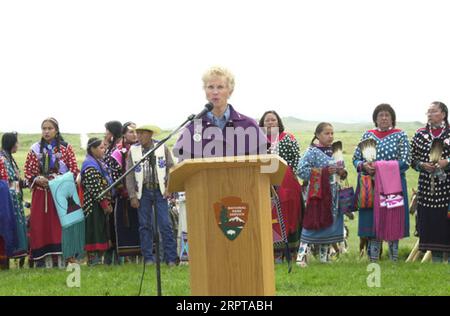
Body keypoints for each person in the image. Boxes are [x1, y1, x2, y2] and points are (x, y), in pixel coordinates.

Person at [353, 104, 410, 262]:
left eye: (387, 115)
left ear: (392, 118)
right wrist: (363, 165)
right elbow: (356, 158)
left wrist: (378, 167)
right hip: (371, 186)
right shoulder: (367, 135)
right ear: (375, 118)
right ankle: (373, 259)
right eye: (380, 115)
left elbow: (405, 161)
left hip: (394, 185)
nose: (384, 118)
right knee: (373, 221)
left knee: (392, 218)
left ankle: (394, 259)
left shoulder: (400, 135)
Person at [173, 66, 268, 160]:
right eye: (210, 87)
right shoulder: (193, 127)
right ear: (205, 91)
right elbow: (183, 169)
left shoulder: (248, 125)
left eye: (220, 87)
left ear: (230, 91)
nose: (215, 92)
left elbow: (263, 163)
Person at [24, 118, 80, 268]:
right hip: (42, 194)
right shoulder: (35, 149)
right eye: (44, 128)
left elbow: (74, 169)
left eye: (50, 128)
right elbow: (28, 172)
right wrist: (37, 179)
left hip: (60, 194)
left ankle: (63, 259)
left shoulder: (66, 148)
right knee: (40, 226)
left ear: (56, 130)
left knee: (61, 226)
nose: (46, 131)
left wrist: (60, 180)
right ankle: (42, 260)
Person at [296, 123, 348, 267]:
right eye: (327, 133)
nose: (330, 136)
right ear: (318, 135)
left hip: (334, 194)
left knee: (329, 225)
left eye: (332, 133)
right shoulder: (312, 152)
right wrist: (324, 172)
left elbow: (342, 171)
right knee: (312, 225)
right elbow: (301, 170)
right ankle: (301, 257)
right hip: (317, 196)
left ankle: (324, 258)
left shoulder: (335, 151)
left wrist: (342, 172)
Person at [126, 124, 178, 266]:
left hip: (160, 190)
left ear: (150, 134)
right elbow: (129, 174)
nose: (139, 136)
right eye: (138, 133)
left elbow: (170, 167)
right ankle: (148, 258)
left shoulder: (162, 147)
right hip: (142, 191)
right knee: (144, 225)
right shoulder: (133, 150)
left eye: (142, 133)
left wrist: (169, 187)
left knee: (165, 224)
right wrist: (132, 195)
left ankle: (171, 258)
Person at [259, 110, 302, 263]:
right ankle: (272, 254)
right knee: (268, 214)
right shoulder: (257, 140)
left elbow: (296, 158)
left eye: (273, 120)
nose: (270, 122)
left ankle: (291, 252)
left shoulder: (288, 138)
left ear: (279, 122)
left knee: (288, 213)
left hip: (287, 182)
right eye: (267, 120)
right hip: (264, 182)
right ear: (262, 124)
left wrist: (290, 175)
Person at [411, 101, 450, 263]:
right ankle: (436, 261)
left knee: (446, 221)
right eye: (428, 112)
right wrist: (421, 165)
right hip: (427, 188)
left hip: (447, 188)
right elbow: (411, 158)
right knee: (430, 222)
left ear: (443, 114)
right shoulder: (420, 134)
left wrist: (447, 162)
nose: (429, 114)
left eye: (433, 111)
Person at [109, 122, 141, 259]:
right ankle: (128, 257)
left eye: (136, 132)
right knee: (126, 226)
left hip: (142, 195)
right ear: (123, 134)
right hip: (124, 198)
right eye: (130, 132)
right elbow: (115, 177)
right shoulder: (117, 153)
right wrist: (127, 192)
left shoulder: (142, 150)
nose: (134, 135)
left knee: (142, 224)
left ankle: (144, 254)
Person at [81, 138, 114, 266]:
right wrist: (105, 204)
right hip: (93, 205)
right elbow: (96, 189)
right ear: (92, 149)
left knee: (100, 230)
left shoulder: (97, 162)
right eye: (100, 148)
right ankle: (93, 261)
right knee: (94, 231)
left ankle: (98, 260)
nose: (103, 150)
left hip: (99, 204)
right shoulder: (90, 166)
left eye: (104, 147)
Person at [0, 133, 28, 265]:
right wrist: (20, 182)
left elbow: (16, 181)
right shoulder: (3, 159)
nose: (18, 145)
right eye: (17, 142)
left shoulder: (8, 158)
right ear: (12, 143)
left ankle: (15, 254)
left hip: (14, 200)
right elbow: (7, 182)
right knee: (8, 226)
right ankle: (5, 258)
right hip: (7, 201)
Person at [102, 120, 123, 264]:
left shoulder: (118, 149)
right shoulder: (110, 147)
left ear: (113, 132)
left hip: (115, 192)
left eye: (107, 131)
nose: (105, 133)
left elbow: (114, 171)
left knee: (115, 225)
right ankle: (110, 257)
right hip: (109, 191)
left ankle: (117, 258)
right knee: (109, 225)